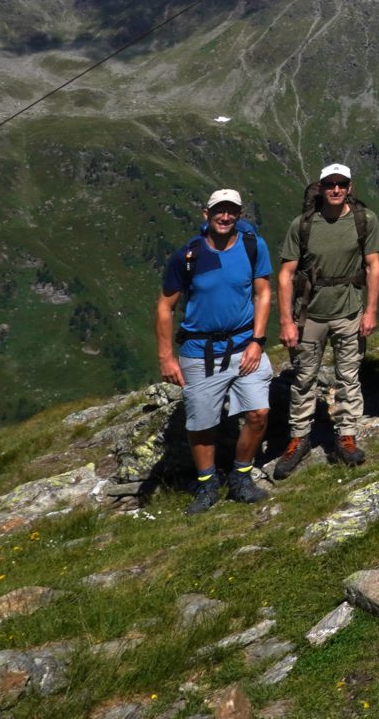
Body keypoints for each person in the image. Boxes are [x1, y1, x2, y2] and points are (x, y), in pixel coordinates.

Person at [155, 188, 274, 513]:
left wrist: (257, 341)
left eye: (231, 211)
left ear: (239, 215)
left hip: (244, 345)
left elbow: (263, 293)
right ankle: (207, 484)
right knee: (201, 424)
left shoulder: (253, 246)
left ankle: (241, 477)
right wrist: (166, 357)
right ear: (206, 215)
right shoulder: (188, 256)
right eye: (219, 210)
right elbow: (165, 306)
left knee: (259, 414)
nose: (225, 216)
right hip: (200, 351)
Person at [273, 164, 379, 479]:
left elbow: (374, 266)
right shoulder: (302, 225)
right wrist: (286, 321)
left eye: (341, 184)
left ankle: (346, 435)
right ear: (321, 187)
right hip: (309, 315)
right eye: (330, 184)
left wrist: (371, 312)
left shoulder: (365, 220)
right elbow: (285, 274)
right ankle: (299, 438)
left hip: (349, 312)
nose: (336, 189)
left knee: (349, 376)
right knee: (304, 378)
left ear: (349, 187)